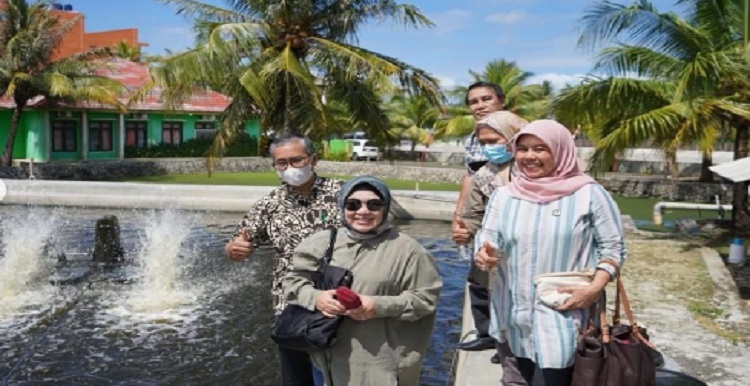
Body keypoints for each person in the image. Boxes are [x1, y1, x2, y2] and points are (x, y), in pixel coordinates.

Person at [475, 119, 627, 386]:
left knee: (556, 377)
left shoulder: (589, 194)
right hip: (513, 311)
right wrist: (484, 254)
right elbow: (488, 236)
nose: (530, 156)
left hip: (566, 312)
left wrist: (594, 289)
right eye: (523, 149)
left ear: (560, 151)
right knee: (519, 376)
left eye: (540, 149)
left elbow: (613, 247)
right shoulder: (505, 195)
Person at [283, 176, 443, 386]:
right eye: (353, 204)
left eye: (374, 204)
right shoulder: (321, 242)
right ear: (343, 207)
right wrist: (316, 297)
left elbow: (426, 299)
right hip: (325, 359)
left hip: (379, 365)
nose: (363, 211)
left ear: (385, 208)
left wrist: (377, 306)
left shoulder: (410, 251)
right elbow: (292, 282)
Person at [224, 132, 342, 386]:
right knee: (296, 377)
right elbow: (239, 242)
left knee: (340, 376)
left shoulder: (342, 195)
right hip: (290, 307)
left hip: (337, 303)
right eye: (281, 163)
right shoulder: (270, 204)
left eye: (296, 160)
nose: (290, 168)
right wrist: (235, 249)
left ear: (314, 159)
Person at [459, 111, 528, 386]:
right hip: (491, 246)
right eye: (483, 141)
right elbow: (473, 212)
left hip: (530, 249)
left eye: (494, 140)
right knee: (486, 291)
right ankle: (498, 343)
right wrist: (467, 231)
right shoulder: (484, 175)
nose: (490, 147)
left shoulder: (534, 167)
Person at [452, 81, 505, 354]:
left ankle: (505, 341)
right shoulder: (472, 138)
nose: (480, 105)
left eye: (486, 99)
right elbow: (469, 177)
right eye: (474, 101)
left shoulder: (516, 133)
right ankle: (486, 333)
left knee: (505, 281)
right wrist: (458, 215)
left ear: (501, 101)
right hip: (478, 215)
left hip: (506, 216)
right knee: (478, 277)